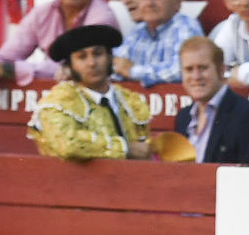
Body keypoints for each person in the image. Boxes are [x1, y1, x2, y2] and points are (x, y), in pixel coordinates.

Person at [27, 24, 154, 160]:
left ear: (110, 57)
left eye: (98, 54)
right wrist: (124, 148)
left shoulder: (130, 100)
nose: (92, 63)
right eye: (82, 57)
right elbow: (68, 145)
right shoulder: (57, 102)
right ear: (70, 65)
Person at [174, 36, 249, 166]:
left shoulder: (248, 115)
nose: (196, 76)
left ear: (221, 70)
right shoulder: (183, 118)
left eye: (203, 68)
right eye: (189, 69)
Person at [113, 0, 202, 86]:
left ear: (178, 1)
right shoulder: (138, 31)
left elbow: (182, 69)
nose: (149, 3)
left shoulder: (186, 27)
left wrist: (133, 71)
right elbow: (117, 65)